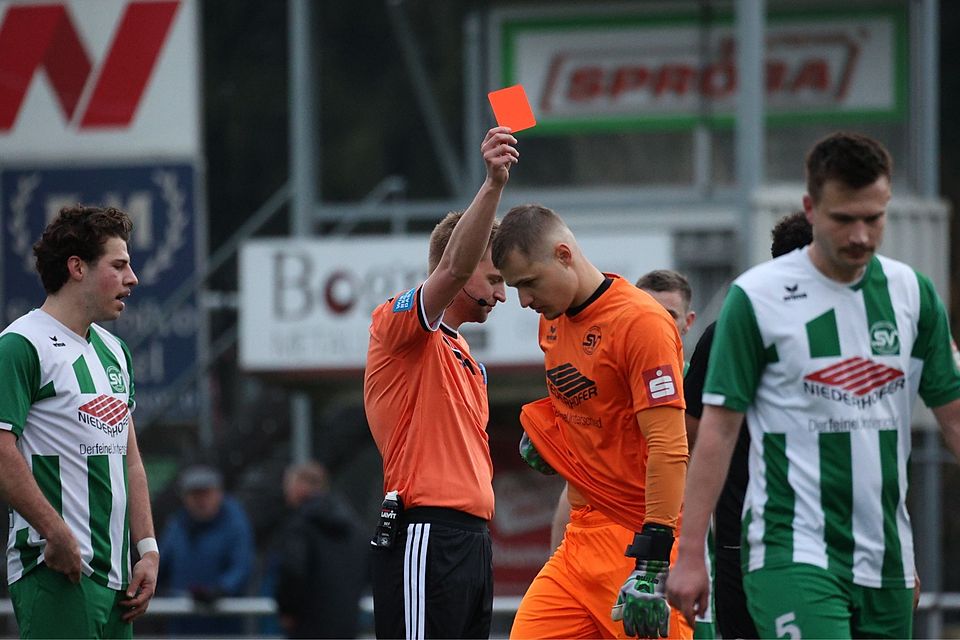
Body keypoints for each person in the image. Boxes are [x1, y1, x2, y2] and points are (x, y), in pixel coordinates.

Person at [667, 132, 960, 639]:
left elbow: (952, 417)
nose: (861, 236)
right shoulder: (756, 299)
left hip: (886, 555)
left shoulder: (912, 293)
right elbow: (713, 432)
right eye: (845, 219)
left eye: (874, 218)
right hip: (790, 549)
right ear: (811, 207)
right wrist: (692, 553)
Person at [492, 205, 690, 639]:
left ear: (564, 255)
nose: (523, 301)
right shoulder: (552, 321)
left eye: (528, 283)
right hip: (578, 540)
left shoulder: (642, 323)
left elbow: (669, 445)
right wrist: (550, 438)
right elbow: (588, 398)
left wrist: (654, 559)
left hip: (635, 540)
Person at [363, 125, 518, 639]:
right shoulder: (398, 325)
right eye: (495, 280)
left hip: (472, 538)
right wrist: (494, 183)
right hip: (425, 530)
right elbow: (452, 267)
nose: (501, 296)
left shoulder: (465, 354)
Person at [0, 205, 158, 639]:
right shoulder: (20, 346)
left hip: (116, 579)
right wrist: (56, 532)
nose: (133, 279)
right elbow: (0, 452)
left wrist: (147, 549)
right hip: (56, 570)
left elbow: (130, 461)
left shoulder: (114, 351)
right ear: (76, 268)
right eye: (119, 265)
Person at [681, 211, 811, 640]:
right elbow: (693, 433)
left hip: (829, 540)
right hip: (744, 535)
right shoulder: (729, 332)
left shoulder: (854, 331)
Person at [273, 461, 369, 639]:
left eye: (288, 484)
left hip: (307, 626)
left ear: (300, 487)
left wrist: (287, 609)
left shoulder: (300, 526)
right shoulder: (354, 526)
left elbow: (293, 570)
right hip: (347, 625)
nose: (285, 491)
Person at [159, 464, 255, 636]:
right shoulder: (177, 525)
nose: (200, 500)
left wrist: (220, 590)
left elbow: (242, 567)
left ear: (219, 494)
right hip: (182, 622)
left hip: (223, 623)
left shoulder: (235, 524)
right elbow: (161, 564)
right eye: (194, 494)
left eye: (206, 493)